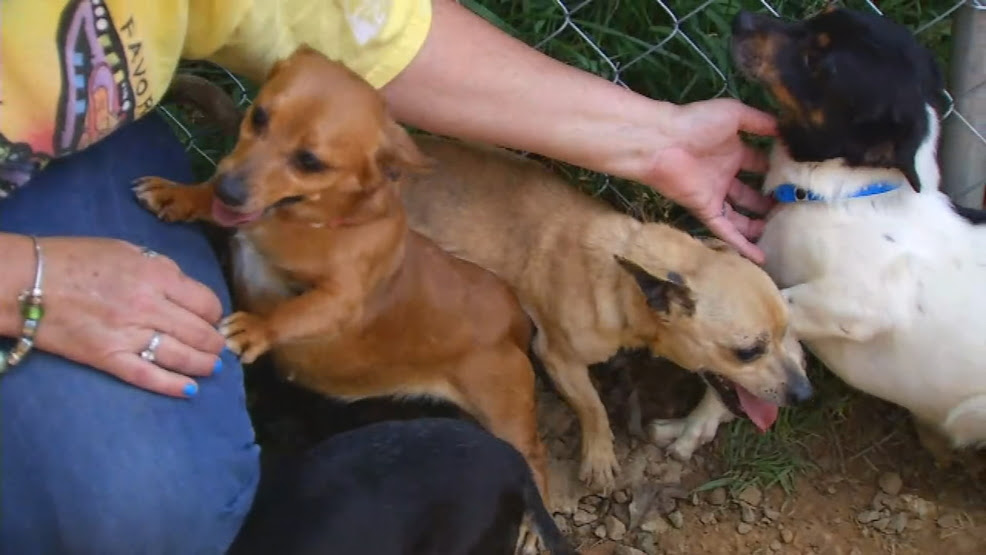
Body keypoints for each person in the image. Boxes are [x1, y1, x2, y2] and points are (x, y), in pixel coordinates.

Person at [0, 0, 776, 552]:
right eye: (258, 122)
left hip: (53, 158)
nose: (243, 173)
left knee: (148, 508)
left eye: (303, 160)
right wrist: (27, 280)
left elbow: (370, 31)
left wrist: (655, 139)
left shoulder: (345, 222)